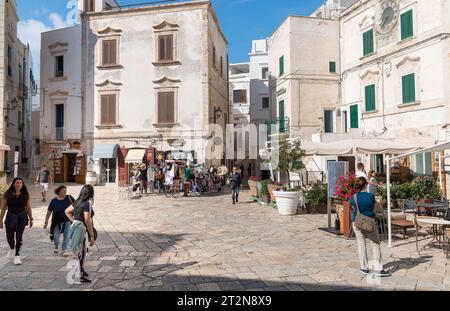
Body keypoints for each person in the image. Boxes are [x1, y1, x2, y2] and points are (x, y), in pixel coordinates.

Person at [350, 177, 390, 277]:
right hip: (370, 222)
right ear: (366, 185)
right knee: (375, 244)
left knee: (361, 245)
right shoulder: (370, 196)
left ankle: (364, 267)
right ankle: (378, 269)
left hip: (357, 222)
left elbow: (354, 209)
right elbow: (374, 208)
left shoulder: (353, 197)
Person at [65, 185, 96, 284]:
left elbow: (67, 211)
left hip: (76, 227)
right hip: (82, 229)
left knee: (80, 251)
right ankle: (80, 276)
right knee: (81, 252)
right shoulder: (87, 204)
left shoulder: (76, 202)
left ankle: (81, 270)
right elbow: (87, 220)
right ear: (90, 193)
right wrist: (91, 235)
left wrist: (74, 221)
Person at [0, 178, 33, 265]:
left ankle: (17, 256)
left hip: (22, 218)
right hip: (10, 217)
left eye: (20, 183)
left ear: (22, 185)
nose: (19, 184)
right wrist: (0, 220)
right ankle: (12, 248)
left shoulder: (25, 195)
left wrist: (31, 218)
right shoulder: (8, 195)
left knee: (19, 237)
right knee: (9, 237)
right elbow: (3, 208)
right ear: (14, 184)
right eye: (17, 182)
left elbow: (28, 207)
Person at [44, 185, 75, 257]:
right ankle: (56, 245)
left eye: (65, 191)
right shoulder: (54, 201)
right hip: (56, 221)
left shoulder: (69, 198)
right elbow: (49, 212)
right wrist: (46, 222)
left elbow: (76, 206)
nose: (65, 192)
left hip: (67, 220)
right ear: (58, 192)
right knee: (56, 236)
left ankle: (64, 250)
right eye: (63, 191)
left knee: (67, 236)